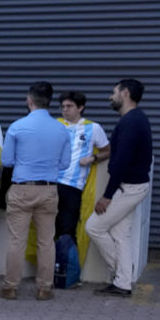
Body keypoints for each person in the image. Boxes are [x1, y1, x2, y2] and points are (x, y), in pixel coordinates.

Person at [0, 81, 71, 301]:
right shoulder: (61, 128)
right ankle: (44, 288)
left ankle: (10, 287)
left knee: (16, 241)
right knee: (46, 241)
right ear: (50, 103)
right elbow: (65, 163)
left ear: (29, 100)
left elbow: (6, 160)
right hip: (49, 189)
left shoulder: (17, 126)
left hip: (22, 189)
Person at [86, 78, 153, 297]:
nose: (110, 96)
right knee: (121, 234)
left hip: (129, 188)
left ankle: (119, 273)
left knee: (94, 226)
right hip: (133, 186)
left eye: (113, 92)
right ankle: (123, 283)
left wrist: (107, 196)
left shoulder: (131, 122)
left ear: (125, 94)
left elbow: (122, 161)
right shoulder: (135, 119)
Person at [56, 91, 111, 245]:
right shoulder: (56, 124)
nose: (65, 109)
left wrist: (93, 158)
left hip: (73, 186)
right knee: (47, 228)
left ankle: (65, 266)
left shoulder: (93, 128)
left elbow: (107, 151)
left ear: (81, 108)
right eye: (63, 106)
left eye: (69, 106)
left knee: (67, 229)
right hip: (50, 183)